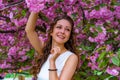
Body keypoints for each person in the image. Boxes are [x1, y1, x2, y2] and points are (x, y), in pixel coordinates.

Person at [25, 11, 79, 80]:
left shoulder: (71, 57)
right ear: (51, 31)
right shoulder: (44, 50)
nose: (62, 31)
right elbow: (29, 30)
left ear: (70, 35)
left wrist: (52, 61)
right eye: (59, 27)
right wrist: (36, 6)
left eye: (67, 29)